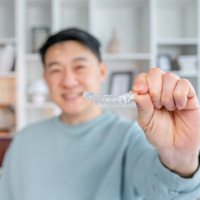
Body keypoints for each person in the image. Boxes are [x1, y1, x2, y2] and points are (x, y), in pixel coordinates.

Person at [0, 27, 200, 200]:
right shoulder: (25, 139)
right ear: (45, 78)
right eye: (55, 69)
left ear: (102, 72)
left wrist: (179, 160)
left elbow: (163, 192)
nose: (68, 81)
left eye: (79, 67)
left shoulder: (131, 136)